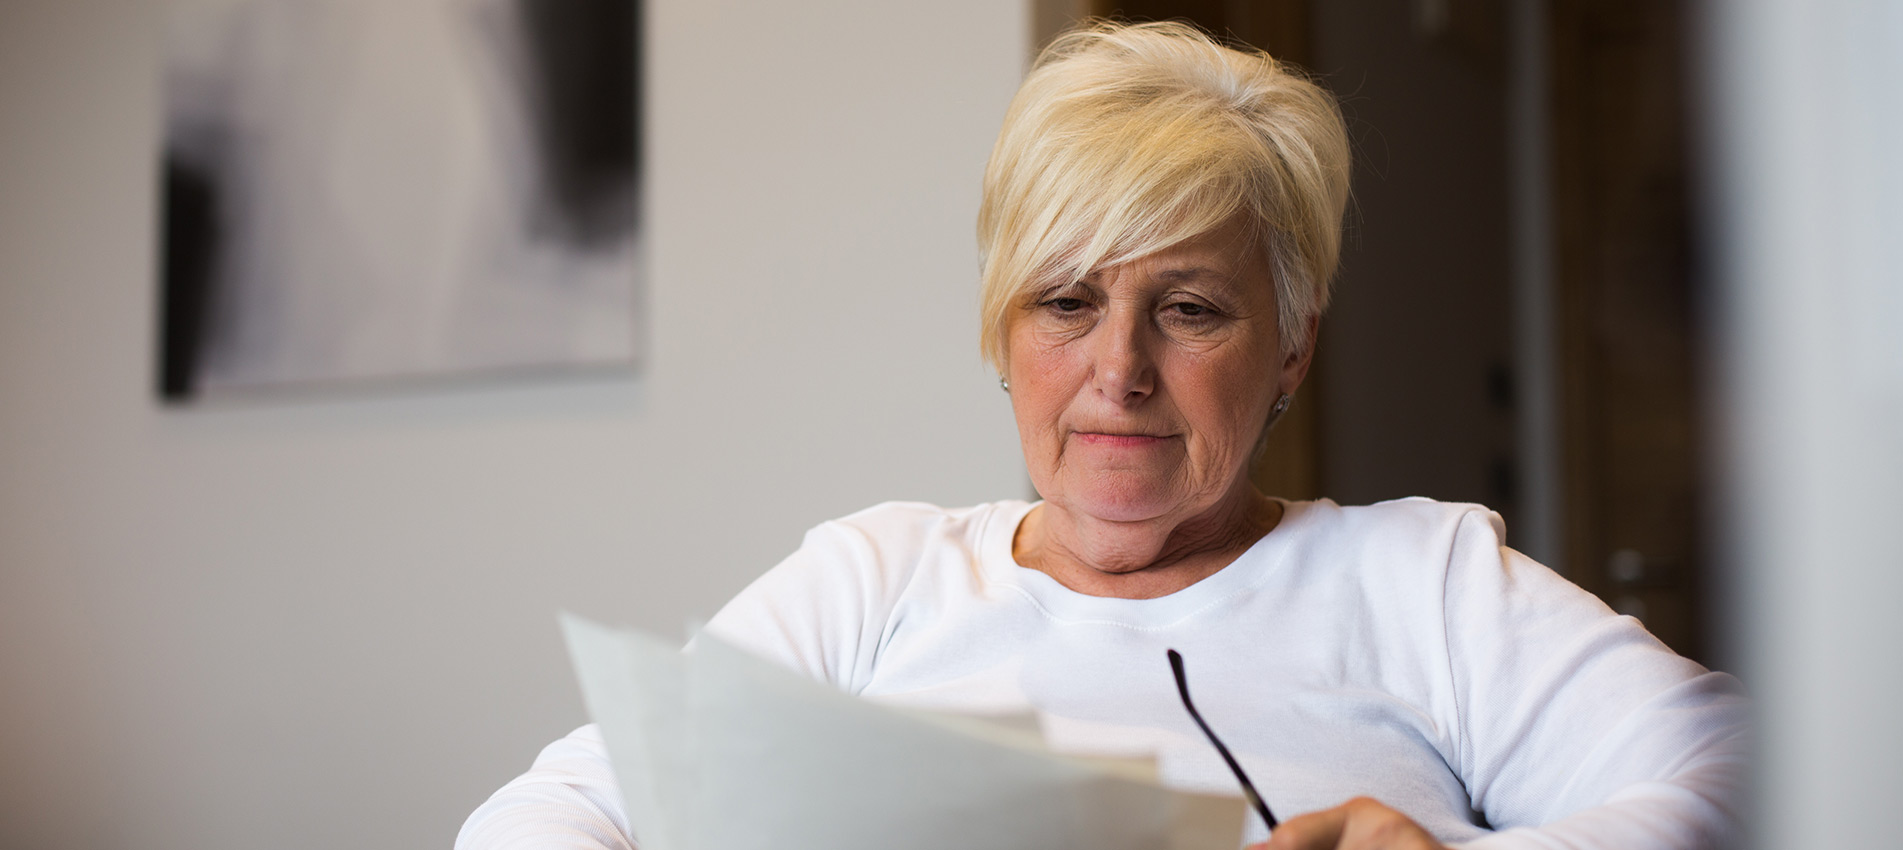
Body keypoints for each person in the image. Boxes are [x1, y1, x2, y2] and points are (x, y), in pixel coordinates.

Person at [457, 21, 1746, 850]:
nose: (1117, 373)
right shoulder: (876, 580)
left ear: (1292, 347)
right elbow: (554, 810)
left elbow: (1757, 778)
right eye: (1066, 303)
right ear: (1001, 332)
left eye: (1189, 310)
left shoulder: (1424, 583)